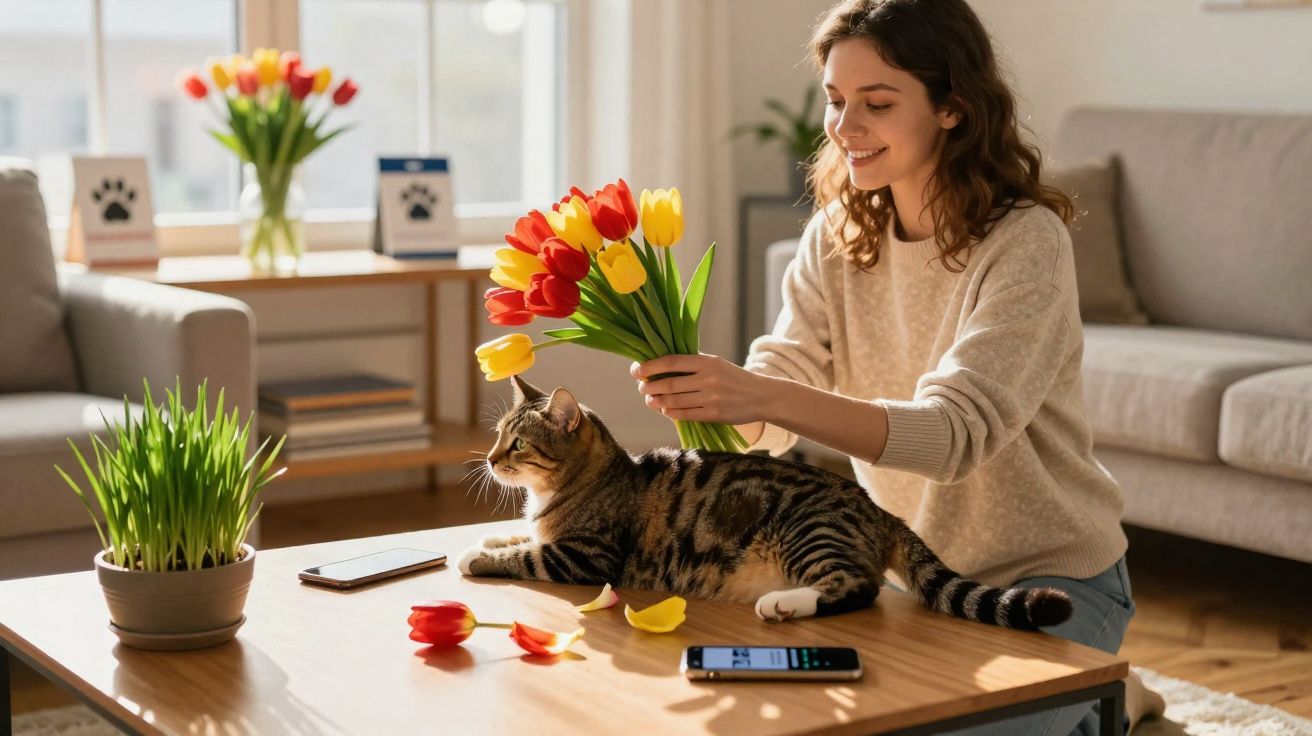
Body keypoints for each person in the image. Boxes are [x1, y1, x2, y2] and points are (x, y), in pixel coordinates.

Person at [631, 1, 1163, 733]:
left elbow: (951, 437)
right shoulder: (836, 234)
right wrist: (723, 405)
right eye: (836, 101)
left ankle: (1106, 700)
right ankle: (1100, 702)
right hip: (911, 578)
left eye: (877, 104)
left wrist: (763, 393)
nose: (845, 127)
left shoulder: (1026, 242)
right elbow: (781, 398)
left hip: (1052, 581)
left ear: (953, 107)